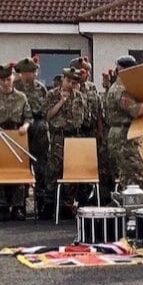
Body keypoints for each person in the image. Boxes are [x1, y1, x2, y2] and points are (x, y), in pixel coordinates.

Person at [104, 55, 143, 192]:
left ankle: (129, 208)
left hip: (125, 136)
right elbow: (136, 111)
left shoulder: (121, 88)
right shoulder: (120, 90)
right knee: (136, 177)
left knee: (128, 178)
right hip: (123, 138)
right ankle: (133, 210)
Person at [0, 63, 32, 220]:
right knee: (0, 170)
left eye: (8, 79)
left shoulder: (21, 97)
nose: (6, 82)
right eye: (2, 80)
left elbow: (28, 117)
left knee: (18, 171)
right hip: (0, 136)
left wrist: (25, 126)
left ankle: (18, 207)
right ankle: (2, 207)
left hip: (17, 135)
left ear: (13, 77)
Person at [41, 67, 87, 218]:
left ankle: (67, 205)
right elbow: (47, 115)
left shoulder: (79, 97)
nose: (70, 85)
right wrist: (61, 101)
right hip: (58, 137)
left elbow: (81, 119)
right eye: (68, 81)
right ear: (63, 80)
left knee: (71, 174)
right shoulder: (52, 94)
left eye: (74, 82)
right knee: (53, 172)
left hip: (73, 137)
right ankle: (49, 205)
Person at [13, 56, 49, 217]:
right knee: (21, 167)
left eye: (33, 72)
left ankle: (42, 203)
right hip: (21, 130)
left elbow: (46, 110)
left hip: (38, 131)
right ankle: (19, 204)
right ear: (20, 73)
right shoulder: (14, 87)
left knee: (41, 168)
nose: (30, 75)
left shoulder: (41, 88)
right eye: (27, 72)